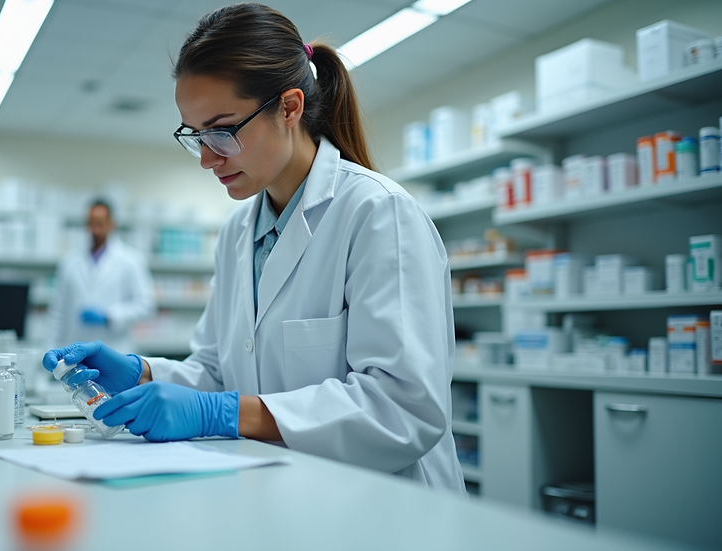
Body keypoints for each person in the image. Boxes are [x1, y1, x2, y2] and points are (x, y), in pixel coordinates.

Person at [44, 3, 465, 493]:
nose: (206, 159)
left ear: (289, 107)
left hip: (387, 504)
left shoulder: (378, 214)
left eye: (221, 131)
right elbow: (218, 369)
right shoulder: (238, 231)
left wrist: (220, 412)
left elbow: (403, 408)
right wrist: (142, 373)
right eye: (195, 135)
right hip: (282, 492)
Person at [48, 199, 155, 352]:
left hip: (115, 350)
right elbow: (57, 312)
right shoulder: (69, 262)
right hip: (74, 349)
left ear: (112, 223)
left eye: (100, 223)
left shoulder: (131, 260)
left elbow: (146, 305)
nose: (95, 229)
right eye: (91, 223)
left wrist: (109, 315)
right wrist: (50, 350)